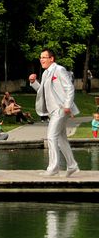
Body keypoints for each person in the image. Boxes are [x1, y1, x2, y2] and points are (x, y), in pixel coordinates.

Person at [28, 48, 80, 177]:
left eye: (44, 57)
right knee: (61, 139)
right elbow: (43, 91)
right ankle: (72, 165)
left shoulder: (59, 70)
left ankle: (53, 168)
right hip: (52, 111)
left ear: (52, 59)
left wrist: (67, 105)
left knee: (51, 137)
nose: (41, 60)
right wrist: (33, 83)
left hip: (60, 109)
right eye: (41, 57)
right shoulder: (46, 73)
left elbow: (69, 88)